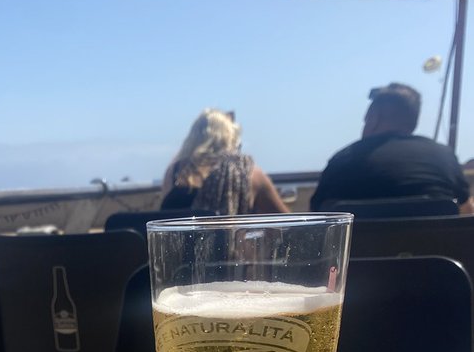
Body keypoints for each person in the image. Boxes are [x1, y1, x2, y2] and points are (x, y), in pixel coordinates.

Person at [310, 83, 473, 213]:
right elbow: (465, 209)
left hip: (361, 247)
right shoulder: (444, 157)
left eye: (366, 120)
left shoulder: (342, 159)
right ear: (413, 123)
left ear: (374, 118)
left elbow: (317, 215)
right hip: (437, 246)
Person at [160, 109, 288, 215]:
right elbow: (286, 223)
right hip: (229, 239)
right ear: (231, 135)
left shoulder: (175, 172)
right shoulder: (249, 173)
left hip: (177, 239)